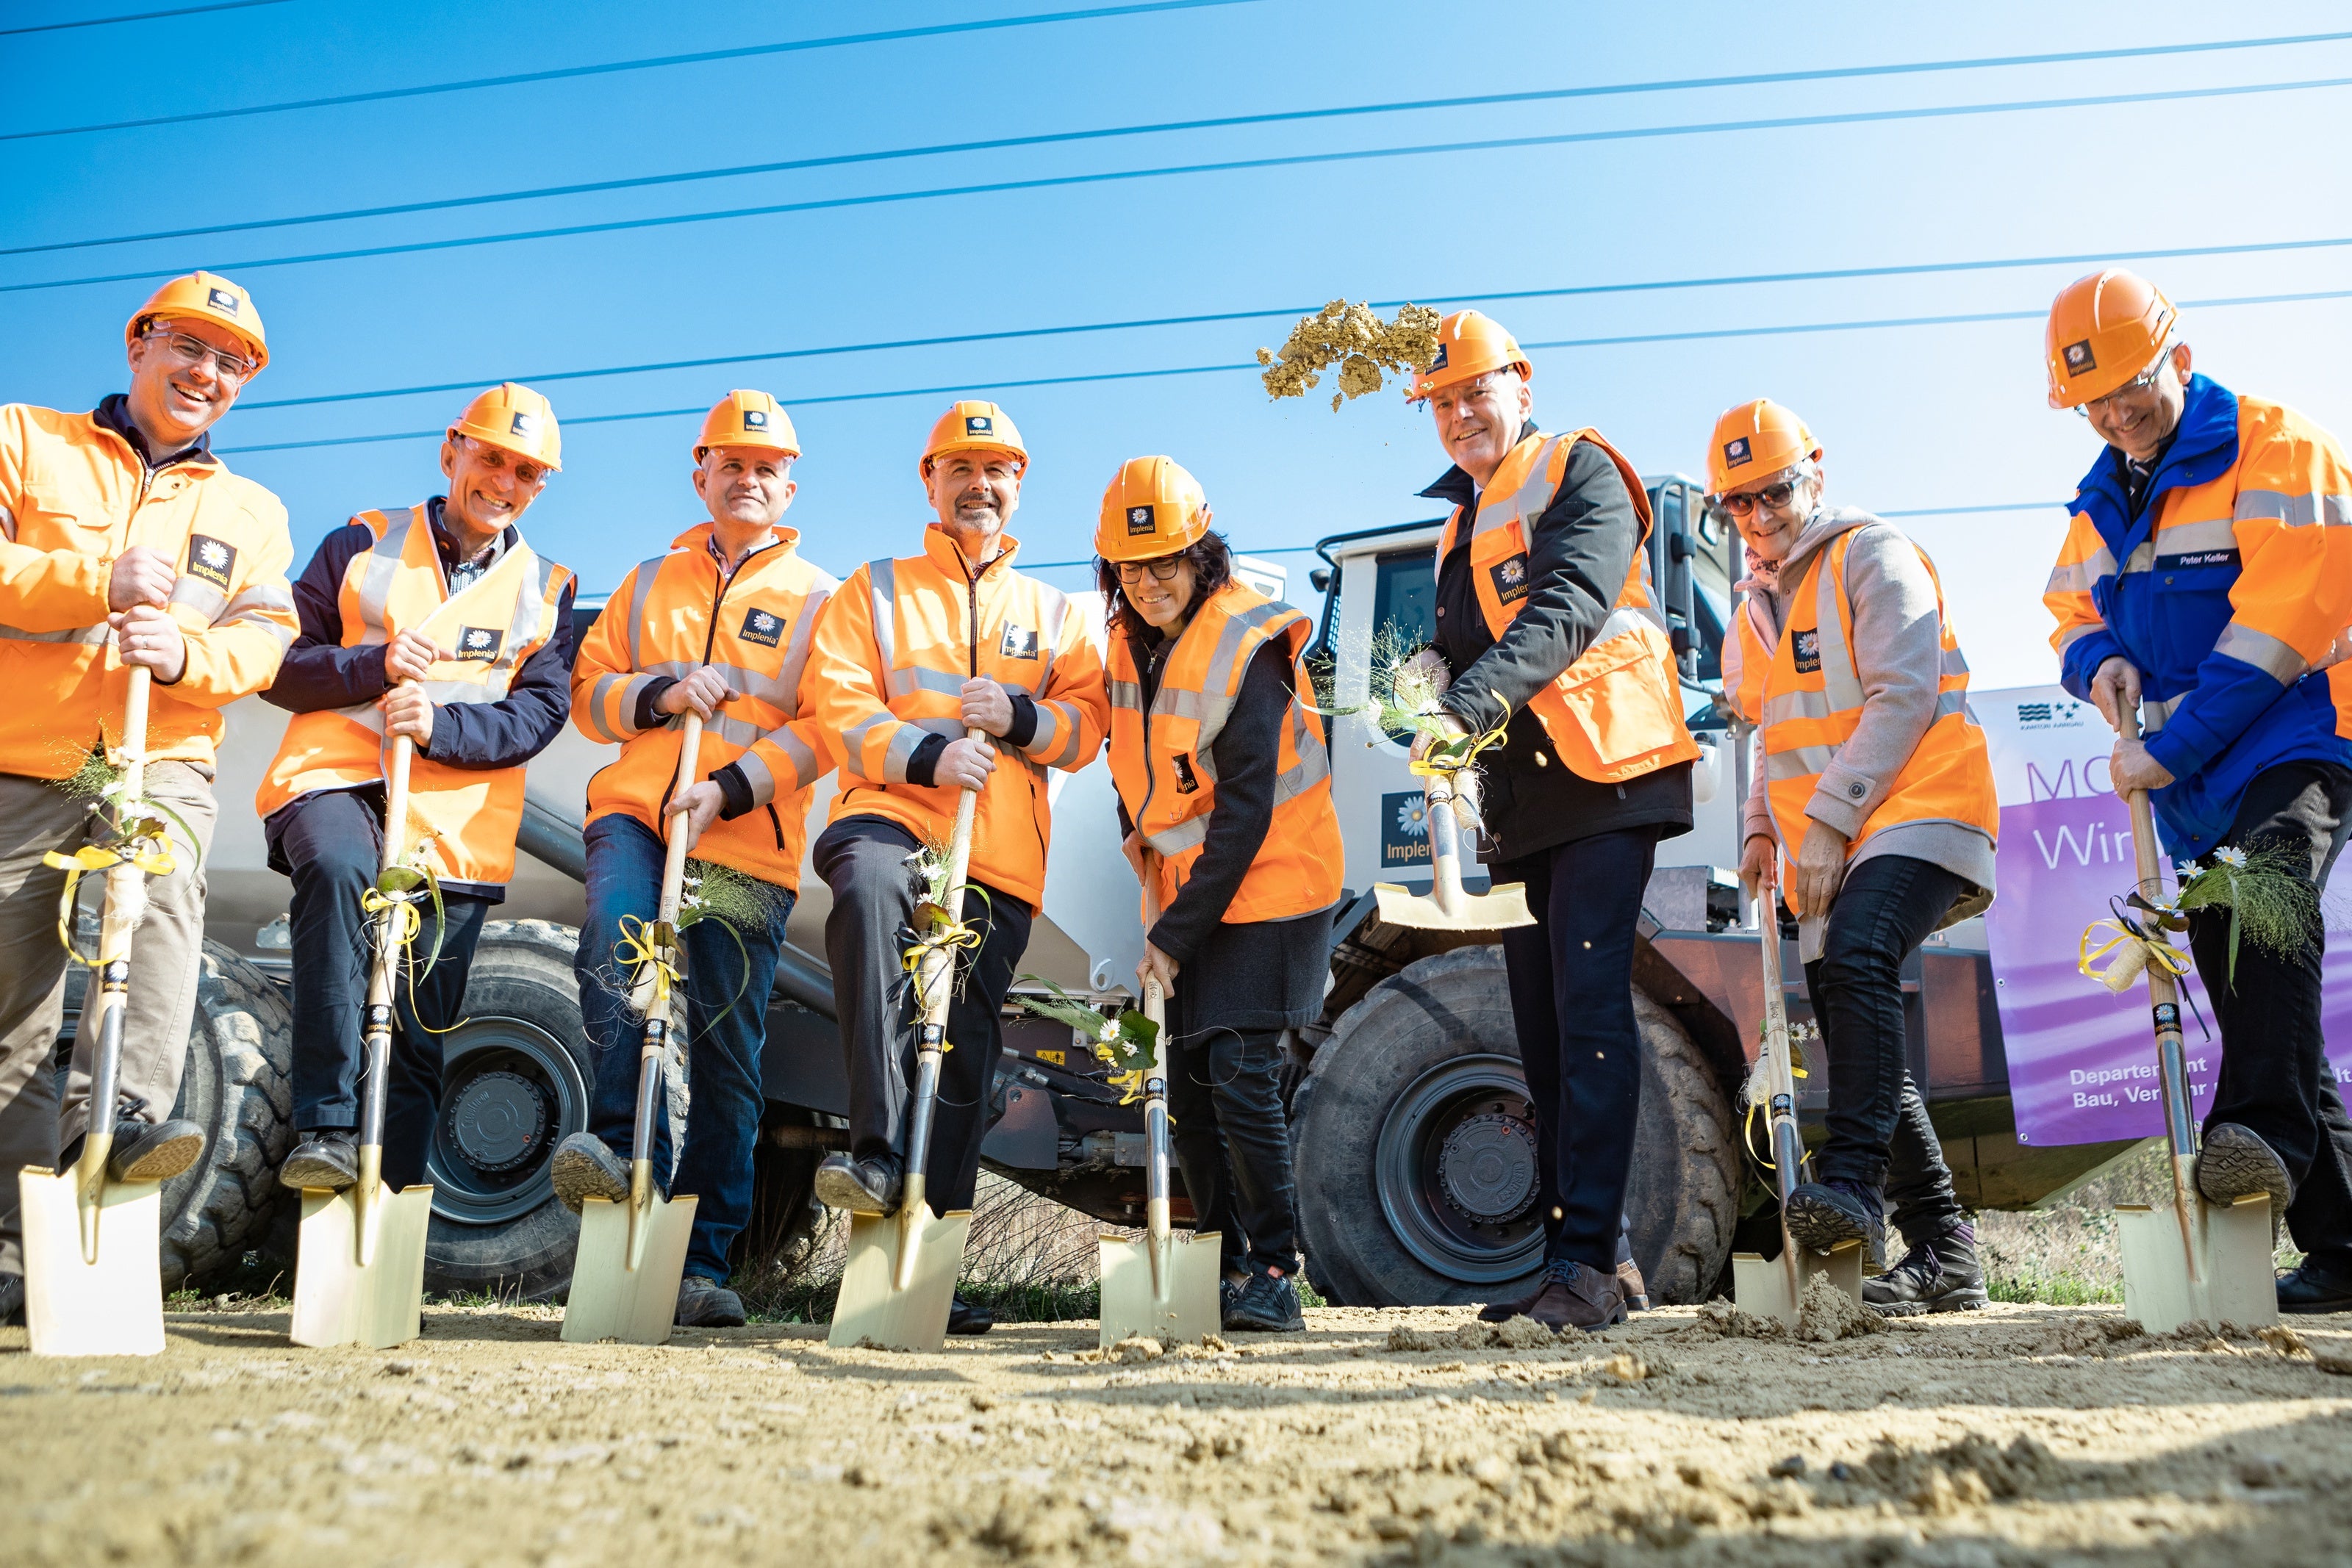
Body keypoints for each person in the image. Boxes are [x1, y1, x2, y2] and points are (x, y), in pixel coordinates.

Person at [2040, 268, 2352, 1314]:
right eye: (2094, 404)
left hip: (2303, 736)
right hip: (2196, 789)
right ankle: (2348, 1242)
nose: (2116, 415)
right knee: (2253, 994)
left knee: (2270, 902)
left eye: (2131, 390)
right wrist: (2096, 662)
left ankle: (2253, 1134)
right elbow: (2066, 607)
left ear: (2178, 356)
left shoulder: (2277, 446)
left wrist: (2170, 752)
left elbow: (2282, 628)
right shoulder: (2101, 494)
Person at [0, 272, 297, 1326]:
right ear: (138, 345)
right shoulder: (26, 440)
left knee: (157, 916)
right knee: (15, 999)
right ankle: (17, 1232)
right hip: (26, 755)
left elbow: (266, 642)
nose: (206, 372)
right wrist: (96, 581)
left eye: (231, 362)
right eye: (188, 346)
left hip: (158, 756)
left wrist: (186, 652)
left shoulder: (253, 512)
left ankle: (125, 1129)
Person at [1407, 311, 1699, 1331]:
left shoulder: (1581, 471)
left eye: (1473, 392)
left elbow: (1570, 603)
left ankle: (1580, 1262)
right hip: (1527, 804)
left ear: (1520, 382)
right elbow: (1460, 645)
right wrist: (1427, 677)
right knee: (1542, 1032)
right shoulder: (1458, 523)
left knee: (1588, 1012)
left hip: (1611, 773)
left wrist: (1465, 701)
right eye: (1440, 404)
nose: (1458, 416)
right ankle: (1595, 1259)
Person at [804, 400, 1108, 1336]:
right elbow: (835, 701)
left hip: (999, 856)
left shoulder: (1055, 613)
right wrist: (928, 756)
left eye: (997, 471)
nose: (979, 486)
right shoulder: (875, 589)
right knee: (864, 896)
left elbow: (1086, 724)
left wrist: (1019, 718)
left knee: (967, 1050)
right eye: (959, 470)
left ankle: (931, 1260)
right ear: (929, 483)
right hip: (893, 817)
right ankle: (876, 1153)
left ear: (1017, 485)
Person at [551, 390, 836, 1328]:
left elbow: (825, 730)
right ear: (701, 473)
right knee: (615, 939)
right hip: (638, 812)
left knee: (726, 1050)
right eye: (731, 463)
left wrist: (732, 787)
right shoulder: (645, 582)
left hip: (745, 838)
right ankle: (616, 1150)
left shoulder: (818, 598)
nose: (747, 479)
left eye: (766, 468)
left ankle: (702, 1259)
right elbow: (587, 696)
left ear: (789, 483)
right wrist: (660, 690)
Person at [257, 384, 576, 1204]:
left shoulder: (547, 586)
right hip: (339, 779)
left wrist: (439, 726)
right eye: (492, 457)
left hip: (453, 824)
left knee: (417, 1026)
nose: (504, 481)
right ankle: (326, 1130)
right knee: (335, 868)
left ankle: (384, 1212)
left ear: (541, 486)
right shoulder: (363, 543)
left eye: (527, 472)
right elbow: (278, 666)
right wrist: (374, 666)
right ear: (451, 451)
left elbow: (538, 715)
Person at [1713, 399, 1998, 1308]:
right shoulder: (1753, 606)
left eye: (1775, 491)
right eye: (1739, 503)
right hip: (1827, 842)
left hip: (1919, 808)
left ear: (1815, 474)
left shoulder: (1871, 555)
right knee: (1851, 1019)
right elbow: (1768, 734)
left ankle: (1846, 1190)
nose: (1760, 516)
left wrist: (1827, 821)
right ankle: (1945, 1245)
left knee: (1863, 955)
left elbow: (1903, 692)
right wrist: (1760, 828)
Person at [1094, 456, 1341, 1334]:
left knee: (1238, 1076)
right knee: (1189, 1091)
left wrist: (1174, 934)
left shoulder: (1249, 641)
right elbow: (1133, 764)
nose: (1150, 581)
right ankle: (1220, 1265)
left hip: (1273, 884)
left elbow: (1241, 815)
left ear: (1202, 554)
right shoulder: (1128, 649)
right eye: (1132, 566)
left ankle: (1275, 1270)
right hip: (1192, 895)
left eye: (1167, 560)